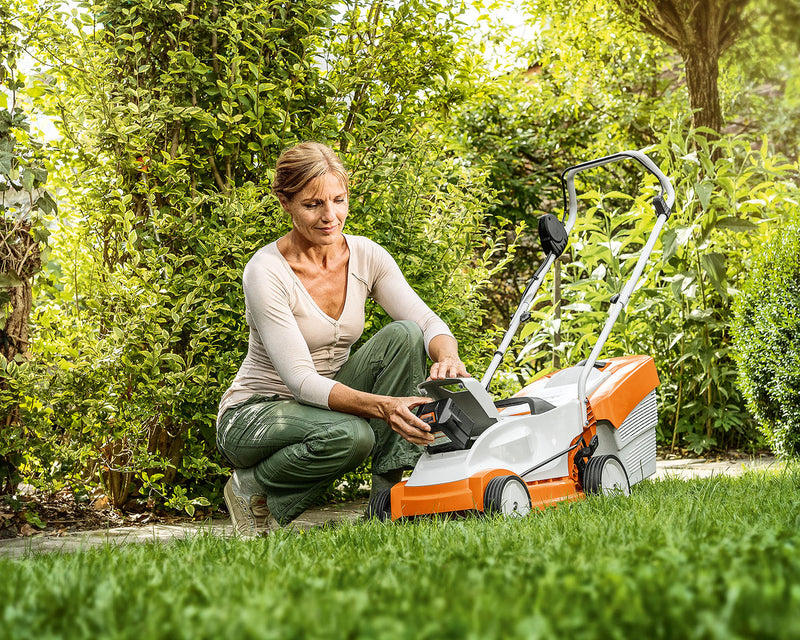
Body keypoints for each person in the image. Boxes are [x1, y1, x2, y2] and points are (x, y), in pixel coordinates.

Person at [216, 141, 469, 536]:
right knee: (352, 435)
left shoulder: (366, 255)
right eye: (313, 204)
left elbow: (424, 320)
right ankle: (251, 489)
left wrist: (447, 356)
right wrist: (385, 406)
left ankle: (388, 503)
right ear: (285, 202)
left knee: (405, 335)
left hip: (327, 402)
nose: (330, 216)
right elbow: (300, 381)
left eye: (338, 200)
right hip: (257, 413)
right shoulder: (266, 272)